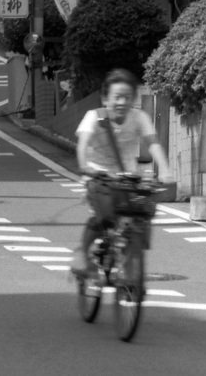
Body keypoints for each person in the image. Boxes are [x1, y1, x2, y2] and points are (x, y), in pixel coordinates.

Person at [70, 69, 173, 276]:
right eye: (117, 97)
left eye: (127, 97)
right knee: (103, 216)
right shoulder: (94, 117)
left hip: (127, 175)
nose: (122, 102)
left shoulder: (138, 117)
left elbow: (152, 143)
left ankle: (130, 271)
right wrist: (85, 167)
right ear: (105, 98)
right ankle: (83, 254)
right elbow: (83, 145)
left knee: (138, 216)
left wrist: (165, 169)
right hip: (98, 174)